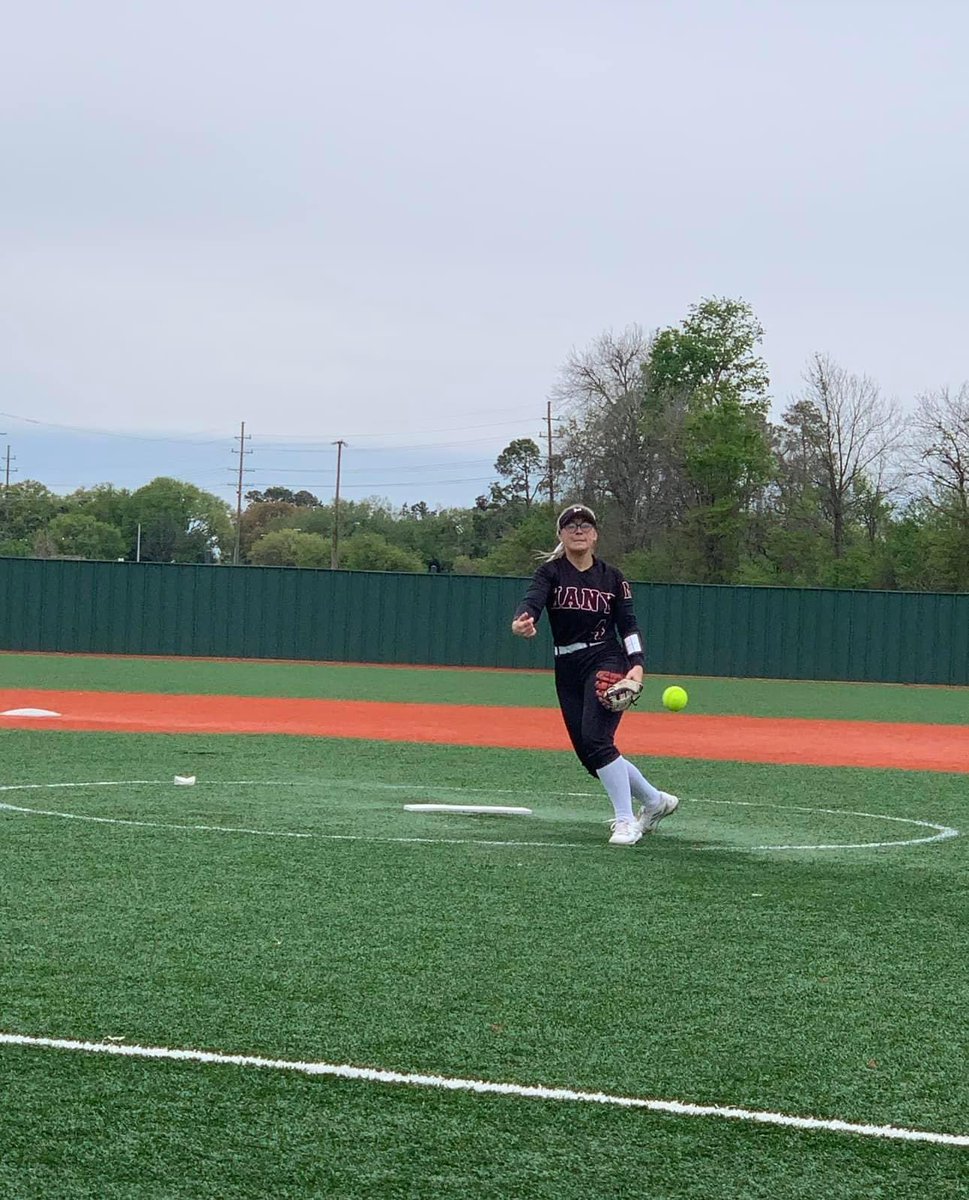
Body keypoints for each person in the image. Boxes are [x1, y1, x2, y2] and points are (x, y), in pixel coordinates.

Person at [511, 503, 679, 847]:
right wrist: (522, 620)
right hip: (567, 666)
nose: (578, 530)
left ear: (595, 535)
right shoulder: (551, 573)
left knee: (597, 741)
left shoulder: (612, 577)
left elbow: (628, 625)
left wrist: (637, 664)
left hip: (606, 658)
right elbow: (532, 601)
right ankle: (654, 801)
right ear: (561, 534)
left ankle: (626, 821)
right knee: (590, 756)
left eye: (585, 525)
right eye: (571, 525)